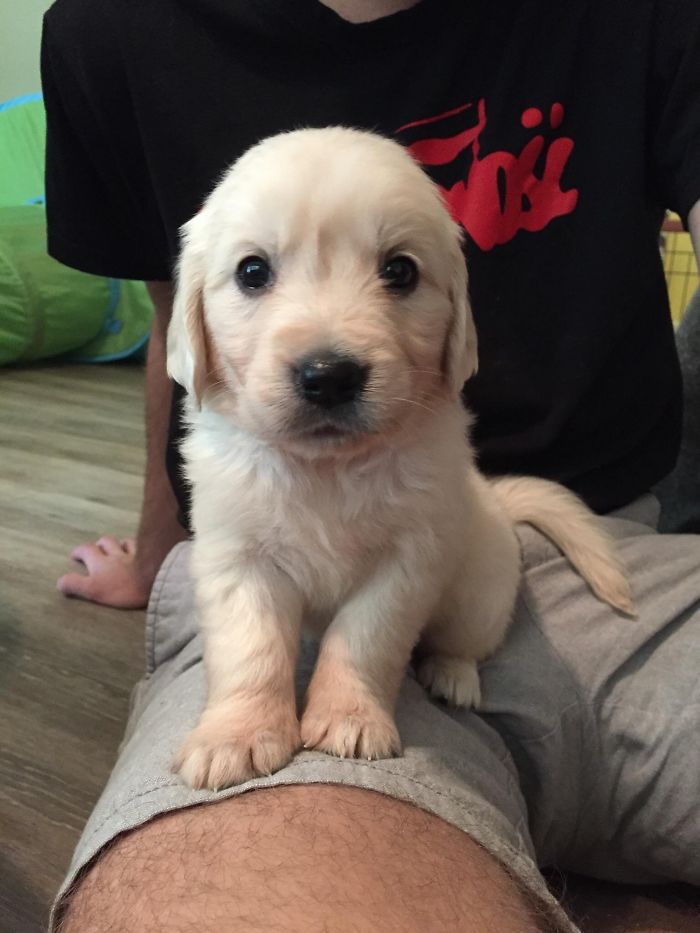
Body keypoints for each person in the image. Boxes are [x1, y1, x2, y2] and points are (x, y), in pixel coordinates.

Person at [42, 0, 700, 930]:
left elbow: (422, 544)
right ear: (204, 320)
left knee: (456, 596)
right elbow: (228, 532)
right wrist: (164, 569)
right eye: (255, 274)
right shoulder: (113, 30)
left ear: (459, 322)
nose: (329, 350)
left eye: (396, 274)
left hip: (610, 562)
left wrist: (364, 676)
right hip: (294, 641)